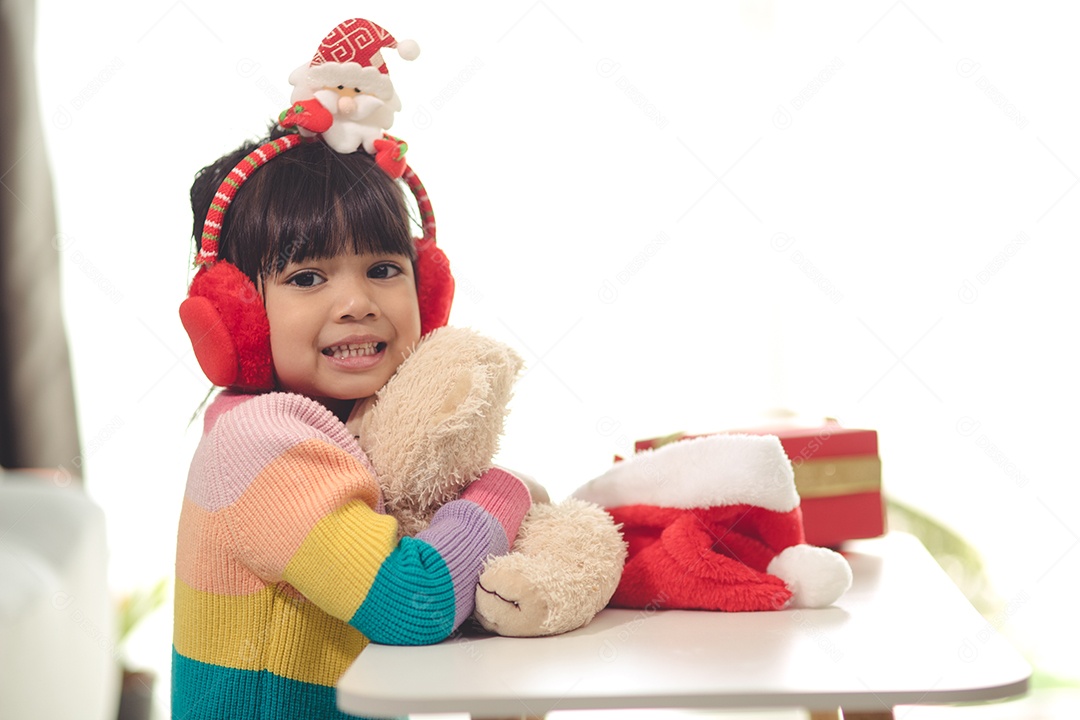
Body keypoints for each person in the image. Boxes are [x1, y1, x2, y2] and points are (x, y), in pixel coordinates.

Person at [171, 126, 531, 719]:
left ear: (428, 291)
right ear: (240, 317)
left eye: (384, 269)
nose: (358, 302)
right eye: (307, 278)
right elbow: (415, 602)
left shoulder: (354, 428)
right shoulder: (262, 442)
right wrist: (502, 488)